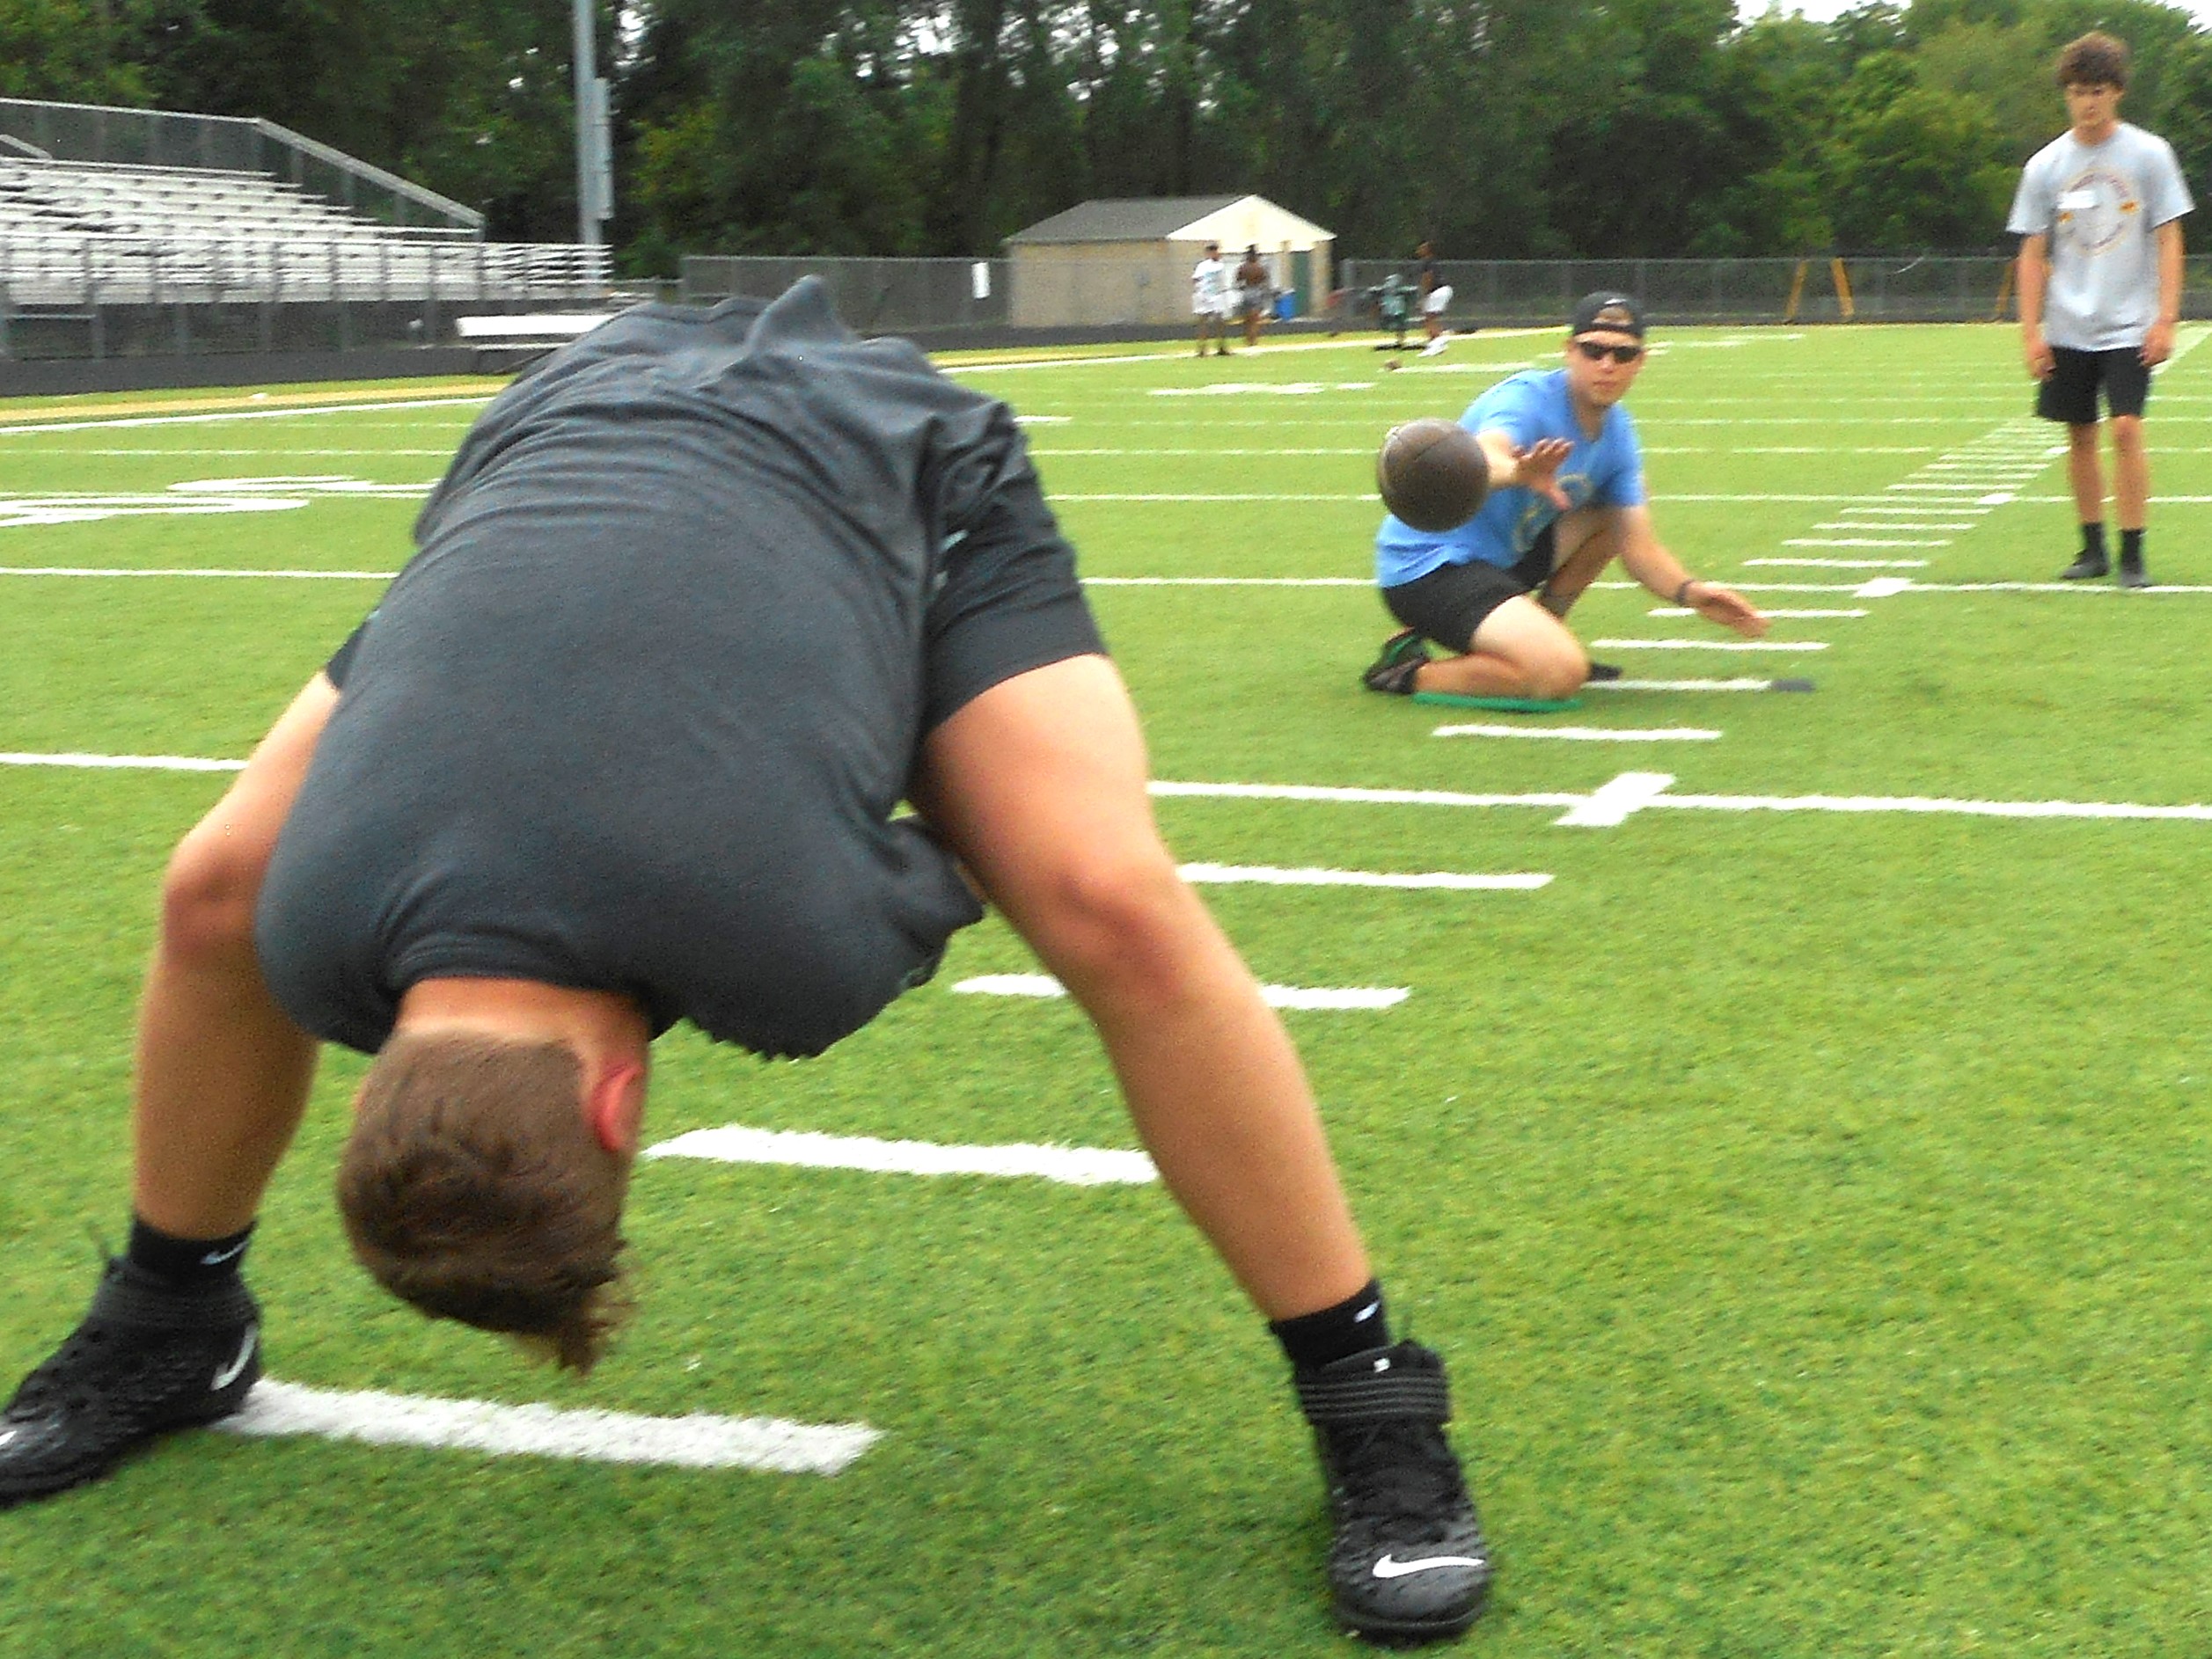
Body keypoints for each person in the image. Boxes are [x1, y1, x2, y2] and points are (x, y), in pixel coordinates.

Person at [0, 280, 1491, 1645]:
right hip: (570, 419)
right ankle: (170, 1317)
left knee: (1105, 903)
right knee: (212, 886)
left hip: (876, 460)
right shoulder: (311, 930)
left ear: (615, 1109)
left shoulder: (777, 955)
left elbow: (963, 850)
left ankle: (1365, 1385)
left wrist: (815, 724)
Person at [1362, 292, 1767, 703]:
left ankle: (1545, 629)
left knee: (1618, 505)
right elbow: (1483, 456)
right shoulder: (1526, 397)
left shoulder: (1618, 433)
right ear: (1570, 350)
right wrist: (1518, 472)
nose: (1607, 364)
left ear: (1640, 362)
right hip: (1431, 567)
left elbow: (1638, 547)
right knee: (1558, 674)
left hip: (1499, 563)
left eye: (1623, 354)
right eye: (1593, 350)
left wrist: (1692, 593)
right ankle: (1405, 671)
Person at [2007, 31, 2193, 588]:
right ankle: (2092, 548)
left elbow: (2169, 238)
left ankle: (2133, 553)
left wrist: (2165, 318)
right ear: (2066, 94)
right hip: (2069, 324)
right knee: (2080, 433)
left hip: (2130, 323)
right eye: (2078, 91)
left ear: (2117, 92)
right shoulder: (2045, 165)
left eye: (2097, 90)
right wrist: (2031, 332)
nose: (2087, 102)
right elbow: (2032, 252)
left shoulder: (2150, 154)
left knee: (2127, 429)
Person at [1191, 240, 1232, 357]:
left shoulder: (1221, 265)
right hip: (1205, 295)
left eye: (1216, 250)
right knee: (1203, 321)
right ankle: (1202, 349)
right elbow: (1195, 279)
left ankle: (1221, 347)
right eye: (1212, 251)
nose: (1215, 253)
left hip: (1218, 295)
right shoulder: (1203, 266)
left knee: (1220, 321)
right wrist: (1201, 291)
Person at [1415, 241, 1454, 355]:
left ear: (1428, 250)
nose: (1419, 249)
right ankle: (1436, 344)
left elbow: (1428, 278)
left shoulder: (1427, 262)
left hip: (1438, 291)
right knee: (1429, 319)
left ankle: (1437, 344)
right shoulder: (1432, 261)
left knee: (1429, 319)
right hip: (1443, 290)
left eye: (1422, 247)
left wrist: (1423, 296)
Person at [1236, 245, 1272, 350]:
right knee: (1255, 319)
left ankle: (1248, 340)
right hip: (1257, 291)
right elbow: (1265, 281)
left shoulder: (1243, 267)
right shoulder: (1260, 268)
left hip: (1246, 291)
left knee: (1247, 319)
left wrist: (1242, 287)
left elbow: (1238, 281)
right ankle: (1254, 340)